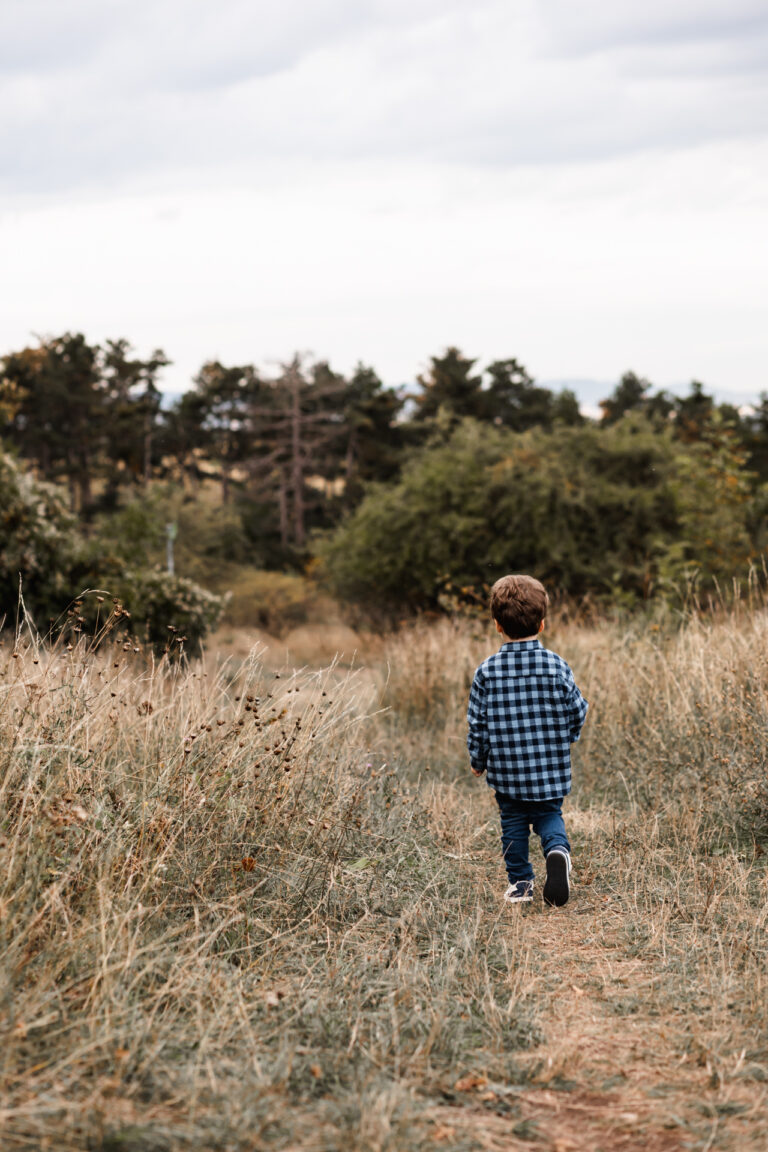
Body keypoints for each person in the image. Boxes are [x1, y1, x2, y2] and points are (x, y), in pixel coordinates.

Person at [467, 574, 588, 906]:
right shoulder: (556, 666)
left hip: (508, 773)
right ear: (543, 623)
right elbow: (577, 708)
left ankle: (520, 884)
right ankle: (557, 851)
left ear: (497, 625)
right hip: (550, 768)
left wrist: (478, 760)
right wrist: (569, 736)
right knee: (550, 814)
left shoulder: (487, 672)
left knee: (514, 824)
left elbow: (478, 723)